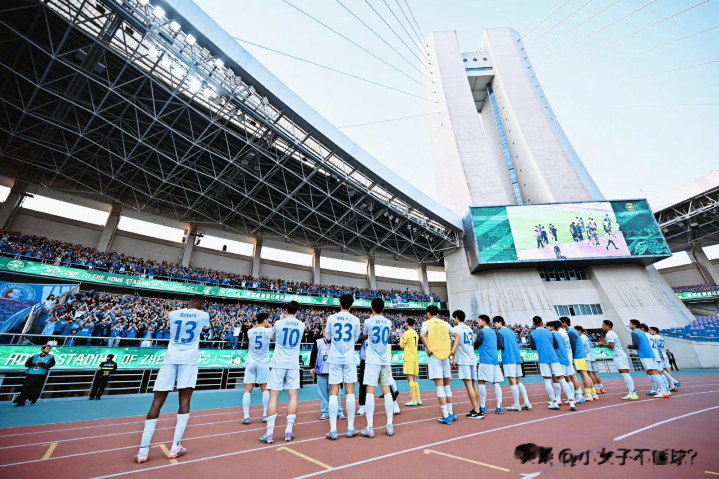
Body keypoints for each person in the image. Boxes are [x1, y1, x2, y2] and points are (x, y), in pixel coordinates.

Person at [133, 295, 210, 463]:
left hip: (170, 358)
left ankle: (143, 451)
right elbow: (205, 330)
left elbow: (170, 328)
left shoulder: (173, 314)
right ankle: (175, 446)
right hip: (189, 360)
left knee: (156, 403)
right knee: (185, 401)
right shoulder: (203, 315)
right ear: (201, 304)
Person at [261, 301, 305, 444]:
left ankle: (269, 433)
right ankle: (288, 431)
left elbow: (273, 337)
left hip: (278, 362)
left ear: (286, 310)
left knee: (274, 395)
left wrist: (279, 321)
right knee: (293, 395)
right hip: (293, 363)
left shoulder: (279, 323)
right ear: (297, 311)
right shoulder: (301, 325)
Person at [325, 294, 362, 440]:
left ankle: (333, 430)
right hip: (349, 357)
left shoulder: (331, 318)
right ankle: (350, 428)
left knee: (334, 392)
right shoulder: (355, 319)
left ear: (340, 303)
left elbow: (328, 338)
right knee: (350, 392)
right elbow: (356, 338)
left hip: (335, 357)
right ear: (351, 305)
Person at [359, 298, 396, 437]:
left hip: (372, 360)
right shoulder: (388, 322)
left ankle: (370, 427)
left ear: (372, 308)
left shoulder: (368, 322)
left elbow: (365, 336)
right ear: (383, 308)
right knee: (387, 391)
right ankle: (389, 425)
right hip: (385, 359)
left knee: (370, 391)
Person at [420, 304, 455, 424]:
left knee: (439, 386)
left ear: (428, 313)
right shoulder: (445, 323)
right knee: (447, 385)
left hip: (435, 355)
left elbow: (422, 335)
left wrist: (428, 348)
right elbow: (457, 335)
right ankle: (451, 413)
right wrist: (452, 350)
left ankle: (446, 415)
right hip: (445, 355)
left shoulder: (426, 323)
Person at [493, 316, 531, 411]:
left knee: (512, 381)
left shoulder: (500, 332)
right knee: (518, 381)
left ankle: (517, 404)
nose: (494, 325)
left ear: (500, 322)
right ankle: (527, 402)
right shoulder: (511, 331)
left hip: (508, 357)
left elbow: (500, 345)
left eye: (495, 323)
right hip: (517, 357)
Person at [450, 310, 482, 419]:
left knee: (468, 384)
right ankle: (477, 407)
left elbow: (455, 344)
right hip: (472, 357)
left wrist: (453, 358)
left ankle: (477, 410)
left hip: (464, 359)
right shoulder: (469, 328)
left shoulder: (456, 329)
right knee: (473, 384)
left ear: (456, 317)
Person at [528, 316, 564, 411]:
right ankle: (570, 401)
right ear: (542, 322)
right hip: (554, 358)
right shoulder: (550, 332)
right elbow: (556, 346)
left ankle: (554, 402)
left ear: (533, 324)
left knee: (547, 380)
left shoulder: (532, 333)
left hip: (543, 358)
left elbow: (533, 347)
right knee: (561, 379)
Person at [242, 313, 273, 424]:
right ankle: (264, 415)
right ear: (265, 320)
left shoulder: (250, 332)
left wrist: (258, 324)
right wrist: (268, 325)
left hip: (251, 361)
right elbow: (273, 332)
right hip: (263, 362)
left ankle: (246, 416)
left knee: (247, 390)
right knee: (265, 389)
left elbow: (253, 328)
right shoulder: (268, 331)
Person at [598, 319, 638, 400]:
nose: (602, 327)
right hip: (620, 354)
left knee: (625, 374)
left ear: (607, 326)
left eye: (603, 325)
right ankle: (632, 392)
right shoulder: (612, 333)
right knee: (625, 373)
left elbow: (612, 345)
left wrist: (603, 345)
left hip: (618, 355)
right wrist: (605, 344)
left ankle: (632, 393)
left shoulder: (609, 334)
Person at [309, 335, 345, 420]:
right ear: (322, 332)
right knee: (323, 394)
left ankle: (339, 412)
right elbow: (313, 355)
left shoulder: (337, 342)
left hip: (334, 372)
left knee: (336, 393)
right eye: (325, 330)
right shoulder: (318, 342)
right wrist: (312, 367)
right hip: (321, 371)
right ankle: (325, 412)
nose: (327, 332)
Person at [559, 317, 596, 402]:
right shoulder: (573, 330)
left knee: (584, 374)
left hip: (578, 355)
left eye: (561, 322)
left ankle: (588, 395)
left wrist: (571, 355)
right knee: (585, 374)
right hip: (581, 355)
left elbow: (573, 345)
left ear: (564, 323)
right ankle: (593, 393)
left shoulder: (570, 332)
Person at [630, 321, 669, 398]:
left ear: (642, 328)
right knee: (657, 373)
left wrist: (631, 346)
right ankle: (664, 390)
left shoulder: (642, 334)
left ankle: (662, 390)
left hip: (648, 354)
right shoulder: (651, 336)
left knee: (654, 373)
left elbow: (639, 345)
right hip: (654, 354)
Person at [475, 314, 504, 414]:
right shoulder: (495, 332)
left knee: (481, 382)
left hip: (485, 360)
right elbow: (500, 345)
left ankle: (483, 406)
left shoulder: (481, 332)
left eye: (479, 320)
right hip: (495, 361)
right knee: (496, 382)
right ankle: (499, 406)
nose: (478, 322)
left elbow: (476, 344)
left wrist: (474, 340)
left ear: (484, 321)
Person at [545, 321, 577, 411]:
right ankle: (571, 399)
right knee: (567, 378)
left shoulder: (552, 334)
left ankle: (558, 399)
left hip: (558, 359)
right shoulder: (561, 334)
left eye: (548, 327)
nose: (547, 328)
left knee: (556, 378)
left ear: (552, 327)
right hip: (565, 358)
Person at [575, 326, 606, 394]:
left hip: (586, 357)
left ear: (579, 330)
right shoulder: (586, 337)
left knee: (589, 373)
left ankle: (596, 388)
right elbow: (592, 345)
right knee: (594, 373)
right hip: (591, 356)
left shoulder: (581, 338)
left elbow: (581, 347)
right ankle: (601, 387)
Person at [649, 326, 681, 391]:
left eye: (651, 330)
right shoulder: (661, 337)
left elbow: (655, 347)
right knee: (664, 370)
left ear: (655, 331)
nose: (650, 332)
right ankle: (672, 384)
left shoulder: (654, 337)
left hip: (659, 355)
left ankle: (672, 383)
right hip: (663, 353)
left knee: (660, 370)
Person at [399, 318, 421, 406]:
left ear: (407, 324)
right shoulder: (415, 333)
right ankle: (418, 399)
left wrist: (401, 336)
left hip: (408, 358)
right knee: (415, 379)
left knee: (410, 379)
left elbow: (401, 345)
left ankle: (413, 400)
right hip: (415, 357)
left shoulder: (407, 333)